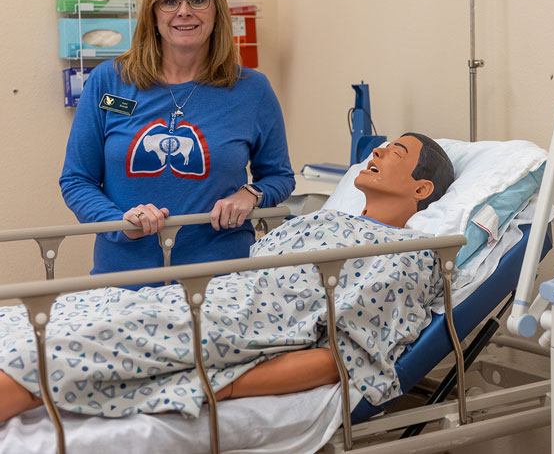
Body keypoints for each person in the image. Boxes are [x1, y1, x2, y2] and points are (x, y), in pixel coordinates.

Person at [0, 134, 455, 422]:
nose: (376, 150)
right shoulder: (313, 222)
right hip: (198, 299)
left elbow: (343, 357)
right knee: (41, 318)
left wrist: (223, 383)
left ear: (421, 190)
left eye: (396, 152)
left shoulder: (404, 256)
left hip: (237, 328)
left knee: (53, 348)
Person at [59, 0, 294, 287]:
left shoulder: (251, 90)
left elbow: (280, 176)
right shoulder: (109, 82)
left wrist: (251, 194)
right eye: (169, 0)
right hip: (125, 280)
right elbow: (76, 180)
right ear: (153, 14)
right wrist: (118, 221)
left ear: (217, 10)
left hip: (221, 282)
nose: (184, 11)